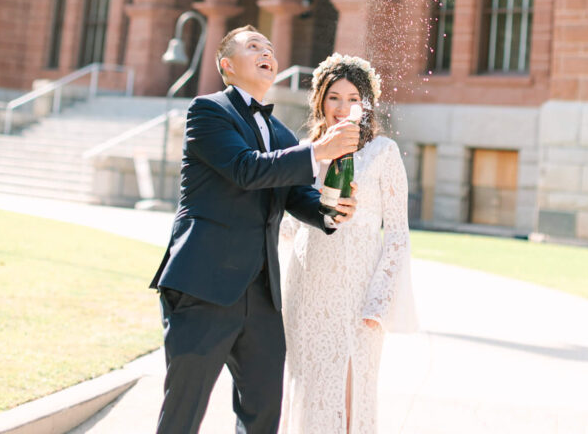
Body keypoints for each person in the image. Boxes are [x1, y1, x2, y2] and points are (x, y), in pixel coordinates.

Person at [150, 25, 360, 434]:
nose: (266, 51)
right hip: (203, 287)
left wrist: (334, 211)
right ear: (227, 65)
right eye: (253, 47)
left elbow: (299, 198)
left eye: (268, 46)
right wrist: (318, 150)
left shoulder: (281, 133)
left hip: (262, 296)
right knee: (182, 414)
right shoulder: (208, 111)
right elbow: (246, 170)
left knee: (263, 416)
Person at [280, 53, 417, 434]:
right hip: (306, 286)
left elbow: (398, 234)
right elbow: (289, 224)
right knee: (306, 381)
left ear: (366, 103)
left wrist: (380, 298)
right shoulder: (306, 150)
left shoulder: (383, 152)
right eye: (333, 97)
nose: (342, 108)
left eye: (353, 98)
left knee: (351, 385)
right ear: (320, 100)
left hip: (357, 290)